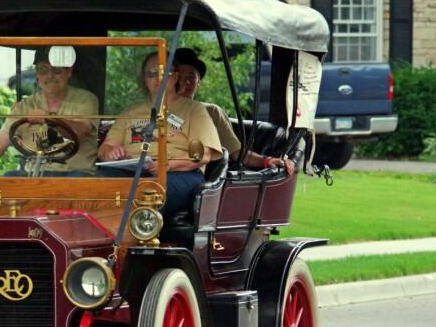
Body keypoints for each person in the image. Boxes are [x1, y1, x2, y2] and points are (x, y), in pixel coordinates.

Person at [97, 52, 222, 217]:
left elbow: (203, 154)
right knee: (91, 182)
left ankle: (139, 239)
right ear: (144, 79)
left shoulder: (194, 110)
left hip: (180, 173)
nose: (158, 78)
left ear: (176, 76)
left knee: (149, 190)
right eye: (151, 73)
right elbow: (105, 148)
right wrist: (110, 153)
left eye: (165, 72)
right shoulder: (130, 111)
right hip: (131, 171)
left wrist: (167, 165)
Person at [0, 46, 99, 176]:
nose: (50, 75)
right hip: (33, 174)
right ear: (37, 75)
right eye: (43, 70)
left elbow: (80, 132)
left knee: (80, 182)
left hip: (75, 174)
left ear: (68, 71)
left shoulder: (86, 99)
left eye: (56, 69)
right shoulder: (25, 106)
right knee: (9, 179)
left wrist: (51, 121)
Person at [174, 47, 295, 175]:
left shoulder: (211, 112)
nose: (185, 82)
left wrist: (267, 161)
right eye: (179, 76)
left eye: (191, 77)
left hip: (187, 173)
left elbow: (236, 152)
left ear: (199, 82)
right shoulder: (157, 109)